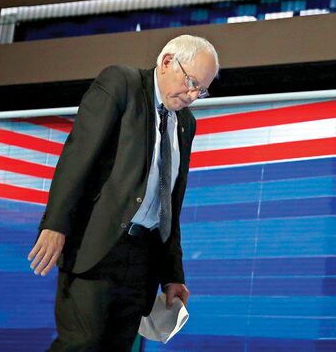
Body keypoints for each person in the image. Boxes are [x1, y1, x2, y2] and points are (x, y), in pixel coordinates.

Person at [28, 35, 220, 351]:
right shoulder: (122, 83)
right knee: (81, 343)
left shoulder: (186, 122)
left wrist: (173, 274)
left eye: (202, 89)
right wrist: (55, 224)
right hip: (99, 246)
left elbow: (169, 203)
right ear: (167, 61)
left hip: (143, 260)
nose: (192, 94)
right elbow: (79, 155)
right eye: (190, 82)